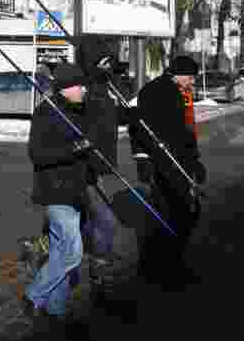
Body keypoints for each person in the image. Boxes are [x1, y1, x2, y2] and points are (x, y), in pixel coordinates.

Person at [21, 62, 95, 332]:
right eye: (80, 85)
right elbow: (37, 154)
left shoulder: (75, 110)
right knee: (72, 253)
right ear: (66, 88)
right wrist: (73, 149)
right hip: (55, 191)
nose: (84, 89)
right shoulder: (46, 112)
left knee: (60, 251)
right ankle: (34, 294)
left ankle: (56, 309)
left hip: (74, 191)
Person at [131, 55, 207, 290]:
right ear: (180, 74)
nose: (192, 82)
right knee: (176, 216)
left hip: (173, 163)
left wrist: (194, 161)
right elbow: (143, 129)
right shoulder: (160, 93)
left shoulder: (171, 91)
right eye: (191, 77)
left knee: (177, 215)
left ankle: (161, 265)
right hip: (167, 166)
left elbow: (182, 133)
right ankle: (166, 268)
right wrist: (143, 159)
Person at [74, 37, 125, 296]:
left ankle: (43, 247)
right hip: (87, 168)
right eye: (104, 62)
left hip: (102, 165)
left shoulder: (105, 88)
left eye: (109, 62)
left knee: (83, 220)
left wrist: (129, 116)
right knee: (105, 220)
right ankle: (99, 268)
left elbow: (108, 123)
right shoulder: (84, 92)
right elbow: (81, 132)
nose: (109, 66)